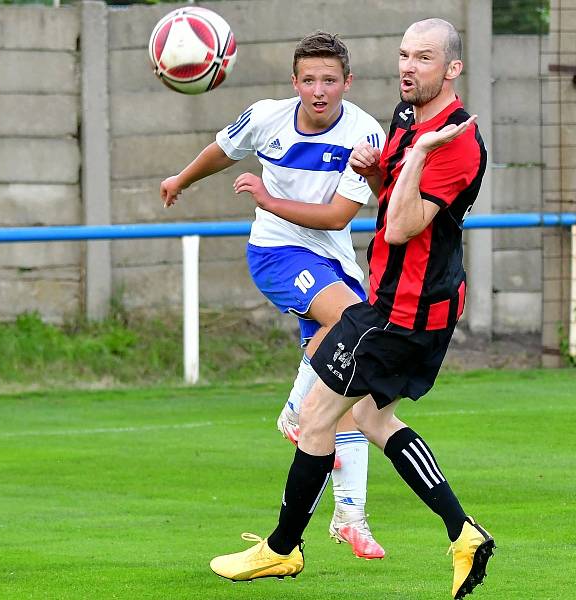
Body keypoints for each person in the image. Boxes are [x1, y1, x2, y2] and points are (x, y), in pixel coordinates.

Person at [208, 18, 495, 600]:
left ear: (453, 69)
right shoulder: (410, 117)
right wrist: (382, 167)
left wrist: (414, 159)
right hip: (400, 303)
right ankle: (463, 533)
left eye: (424, 58)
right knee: (369, 418)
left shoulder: (456, 139)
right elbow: (392, 182)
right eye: (404, 55)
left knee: (315, 418)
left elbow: (400, 225)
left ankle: (281, 551)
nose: (408, 68)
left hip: (404, 309)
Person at [160, 31, 387, 560]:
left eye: (330, 80)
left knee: (351, 383)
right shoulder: (268, 115)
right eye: (309, 80)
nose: (319, 90)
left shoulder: (363, 135)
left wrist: (264, 195)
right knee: (356, 325)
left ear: (347, 84)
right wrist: (182, 179)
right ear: (295, 83)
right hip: (277, 253)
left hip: (333, 260)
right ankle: (293, 411)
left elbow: (336, 217)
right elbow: (223, 149)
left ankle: (350, 516)